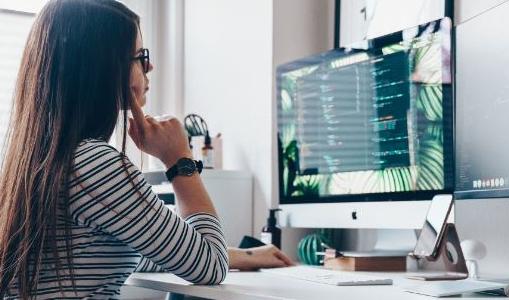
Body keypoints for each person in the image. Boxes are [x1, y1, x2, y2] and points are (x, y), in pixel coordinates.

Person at [0, 0, 291, 299]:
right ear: (103, 67)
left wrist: (244, 256)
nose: (149, 66)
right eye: (140, 56)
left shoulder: (45, 161)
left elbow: (131, 245)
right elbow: (210, 266)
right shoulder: (92, 163)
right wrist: (179, 160)